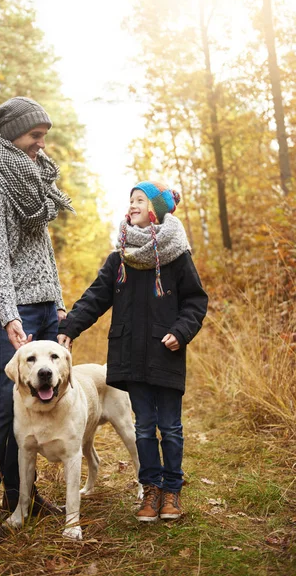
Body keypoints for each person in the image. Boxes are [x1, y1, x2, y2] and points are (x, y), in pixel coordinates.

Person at [58, 181, 208, 523]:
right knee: (143, 428)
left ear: (155, 210)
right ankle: (150, 489)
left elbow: (196, 301)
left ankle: (172, 489)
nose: (133, 204)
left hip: (166, 354)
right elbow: (95, 297)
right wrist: (69, 328)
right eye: (131, 200)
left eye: (140, 199)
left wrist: (181, 332)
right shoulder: (120, 259)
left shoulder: (177, 257)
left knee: (170, 427)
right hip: (130, 356)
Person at [0, 96, 74, 543]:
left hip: (44, 305)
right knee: (2, 399)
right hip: (13, 309)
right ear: (11, 137)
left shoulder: (30, 183)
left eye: (43, 136)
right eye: (35, 137)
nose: (41, 146)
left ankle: (21, 497)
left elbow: (41, 254)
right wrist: (10, 315)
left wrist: (59, 301)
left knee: (34, 401)